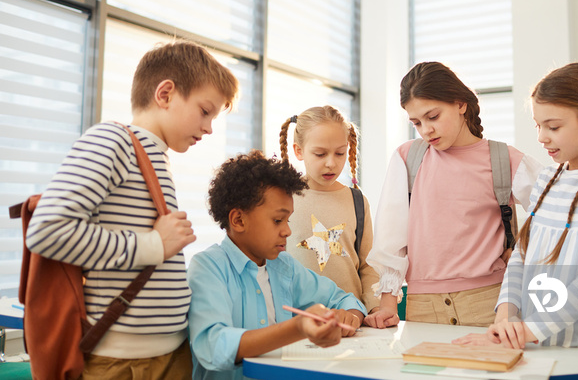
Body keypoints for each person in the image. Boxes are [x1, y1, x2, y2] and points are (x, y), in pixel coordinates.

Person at [26, 40, 239, 378]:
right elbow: (47, 230)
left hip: (170, 352)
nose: (209, 128)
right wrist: (153, 245)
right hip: (122, 362)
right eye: (204, 111)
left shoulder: (157, 155)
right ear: (165, 94)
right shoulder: (112, 140)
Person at [454, 62, 578, 361]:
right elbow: (520, 256)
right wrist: (505, 318)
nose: (542, 137)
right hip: (541, 346)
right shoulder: (547, 178)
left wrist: (525, 331)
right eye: (538, 125)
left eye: (553, 126)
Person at [365, 62, 542, 329]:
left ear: (461, 104)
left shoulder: (503, 159)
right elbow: (392, 240)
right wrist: (388, 305)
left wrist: (521, 251)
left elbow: (559, 210)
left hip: (491, 304)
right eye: (416, 122)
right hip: (422, 307)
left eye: (433, 116)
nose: (426, 130)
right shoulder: (407, 158)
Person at [187, 150, 367, 379]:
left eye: (288, 219)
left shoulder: (284, 267)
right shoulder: (208, 268)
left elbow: (343, 298)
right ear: (239, 220)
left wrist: (349, 316)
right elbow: (214, 347)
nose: (288, 230)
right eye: (277, 220)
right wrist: (297, 328)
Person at [279, 106, 380, 315]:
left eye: (340, 153)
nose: (331, 163)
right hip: (294, 323)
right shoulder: (280, 199)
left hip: (351, 320)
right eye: (320, 154)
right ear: (298, 151)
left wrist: (373, 309)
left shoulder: (357, 201)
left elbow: (369, 266)